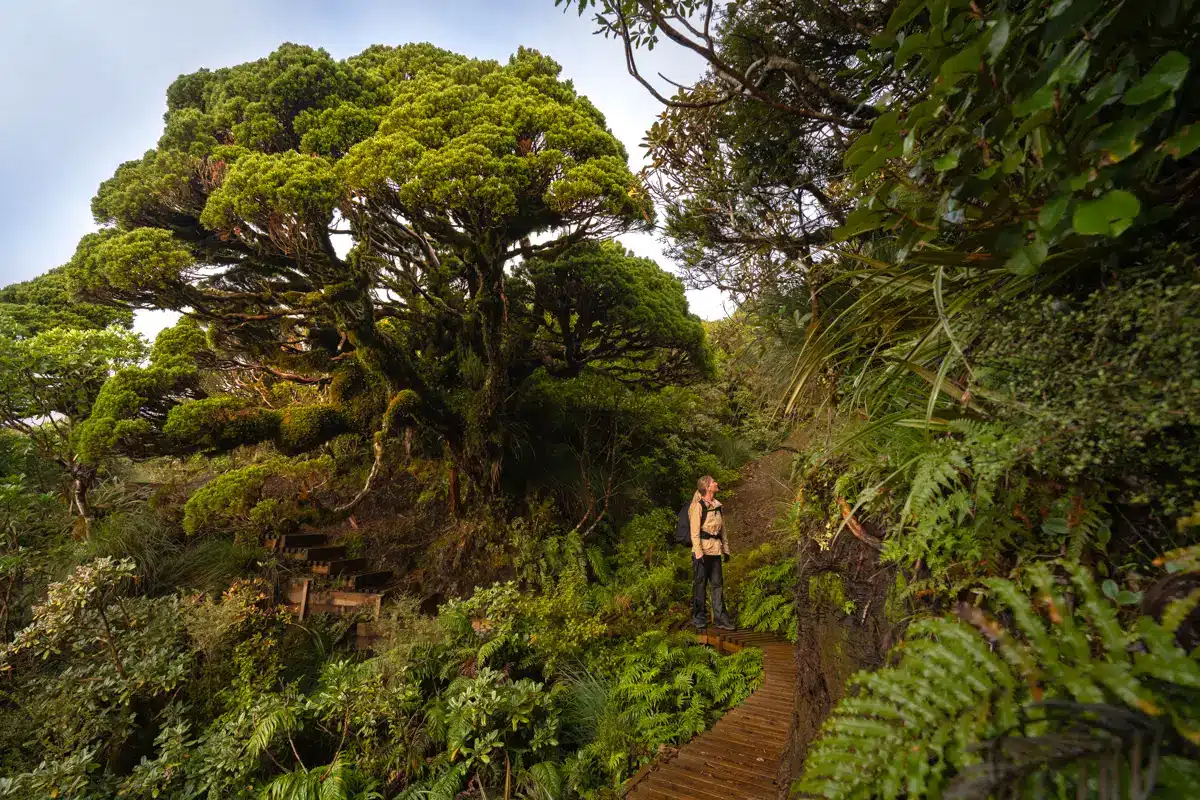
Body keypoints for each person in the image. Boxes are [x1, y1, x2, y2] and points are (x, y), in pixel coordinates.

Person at [689, 475, 735, 632]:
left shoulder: (717, 506)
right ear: (707, 487)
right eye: (713, 482)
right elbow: (694, 533)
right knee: (700, 585)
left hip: (715, 551)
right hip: (701, 552)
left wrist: (726, 550)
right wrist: (699, 553)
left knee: (717, 585)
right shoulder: (698, 506)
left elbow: (723, 530)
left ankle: (721, 618)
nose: (716, 483)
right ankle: (699, 618)